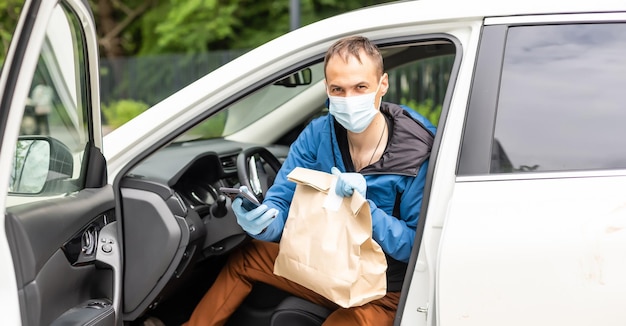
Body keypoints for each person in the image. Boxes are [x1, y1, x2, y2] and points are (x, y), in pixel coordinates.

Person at [185, 35, 435, 326]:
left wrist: (367, 211)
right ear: (327, 89)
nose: (348, 99)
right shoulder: (319, 134)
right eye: (337, 89)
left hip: (385, 288)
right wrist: (263, 221)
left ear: (383, 85)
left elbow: (416, 247)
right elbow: (281, 200)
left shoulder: (417, 152)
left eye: (360, 87)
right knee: (248, 257)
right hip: (332, 264)